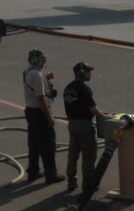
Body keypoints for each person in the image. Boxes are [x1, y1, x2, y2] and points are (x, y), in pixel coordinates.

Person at [62, 61, 110, 195]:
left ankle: (71, 181)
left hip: (72, 125)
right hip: (84, 125)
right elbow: (92, 108)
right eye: (88, 71)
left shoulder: (68, 88)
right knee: (88, 157)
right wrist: (106, 117)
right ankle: (88, 186)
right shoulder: (84, 89)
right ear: (82, 73)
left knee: (73, 155)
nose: (90, 74)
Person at [22, 48, 61, 183]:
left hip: (30, 112)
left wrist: (46, 78)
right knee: (48, 145)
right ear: (35, 60)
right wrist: (49, 117)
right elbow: (41, 98)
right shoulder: (37, 76)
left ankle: (33, 172)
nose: (44, 61)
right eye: (42, 59)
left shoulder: (29, 71)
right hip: (39, 113)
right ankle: (51, 174)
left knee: (34, 144)